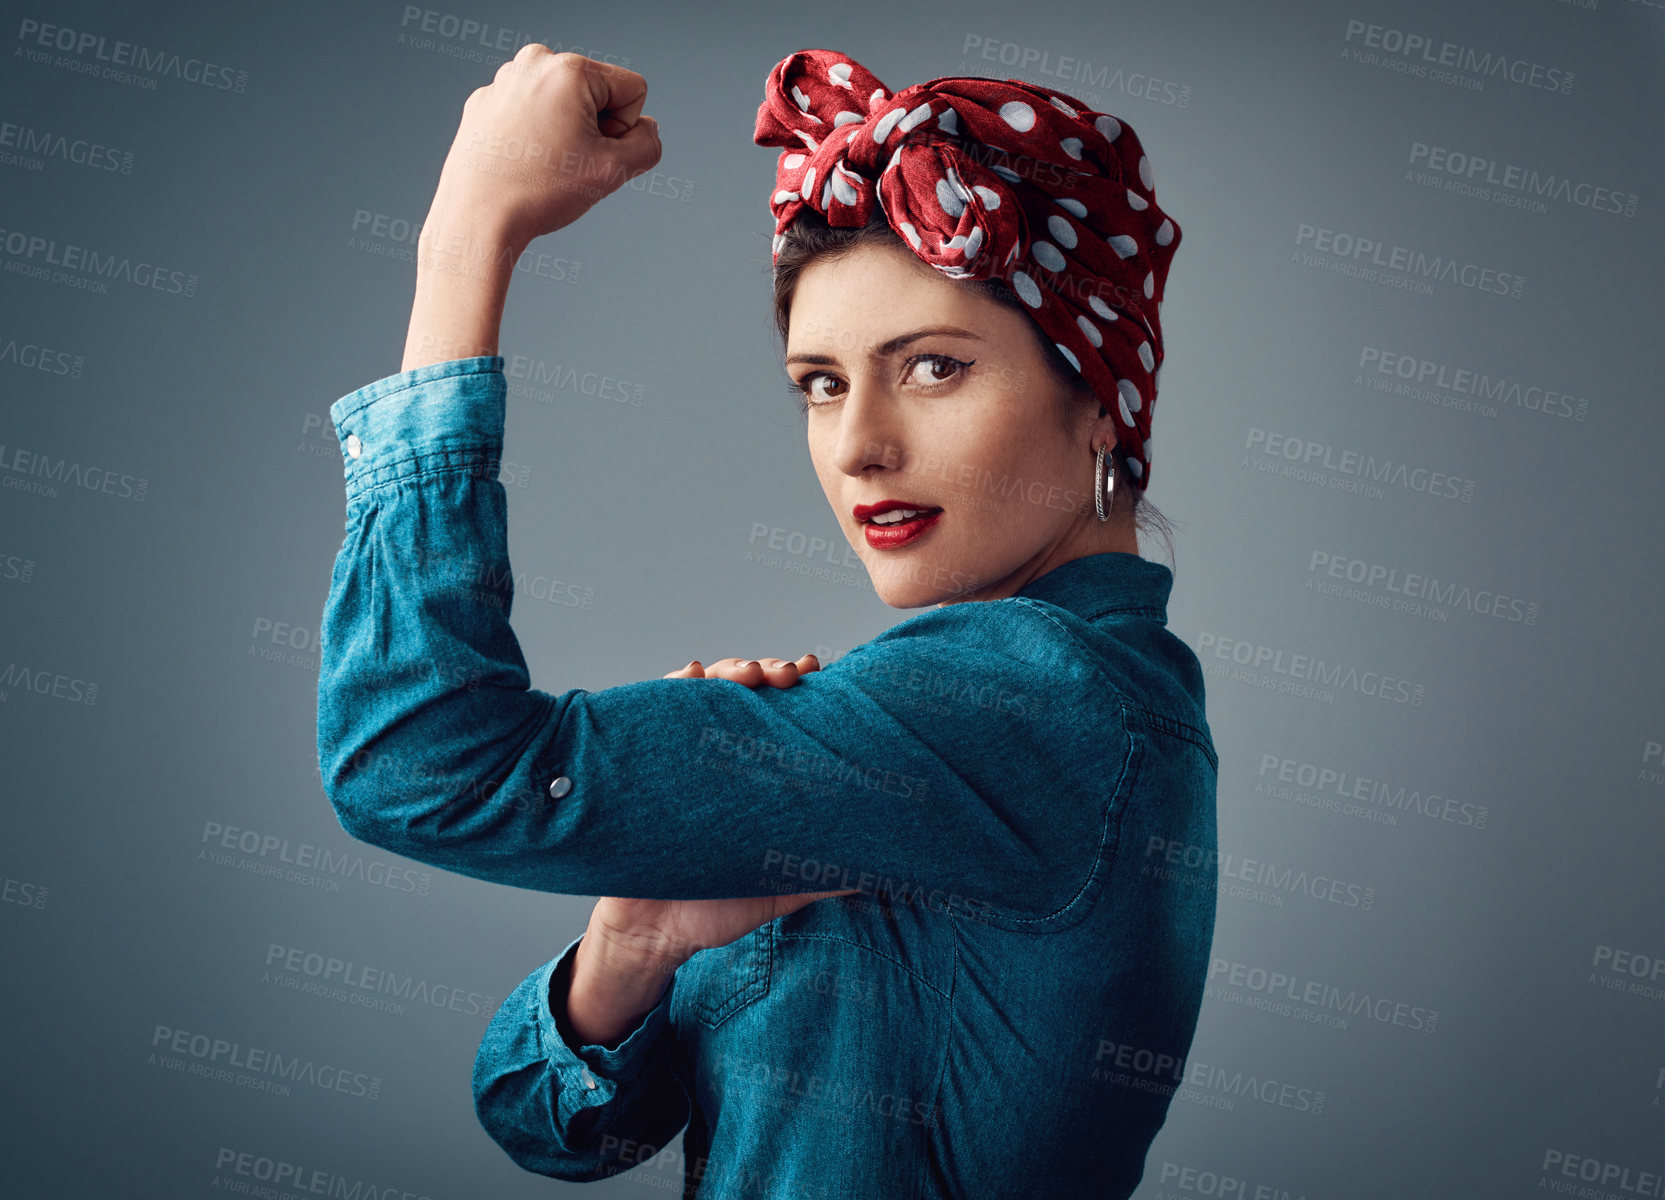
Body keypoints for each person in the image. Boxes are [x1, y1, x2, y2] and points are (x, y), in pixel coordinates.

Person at [316, 43, 1217, 1199]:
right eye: (822, 383)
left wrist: (462, 242)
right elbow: (547, 1122)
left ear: (1099, 399)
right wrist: (635, 945)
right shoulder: (952, 725)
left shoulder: (1036, 699)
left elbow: (414, 758)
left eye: (934, 367)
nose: (857, 446)